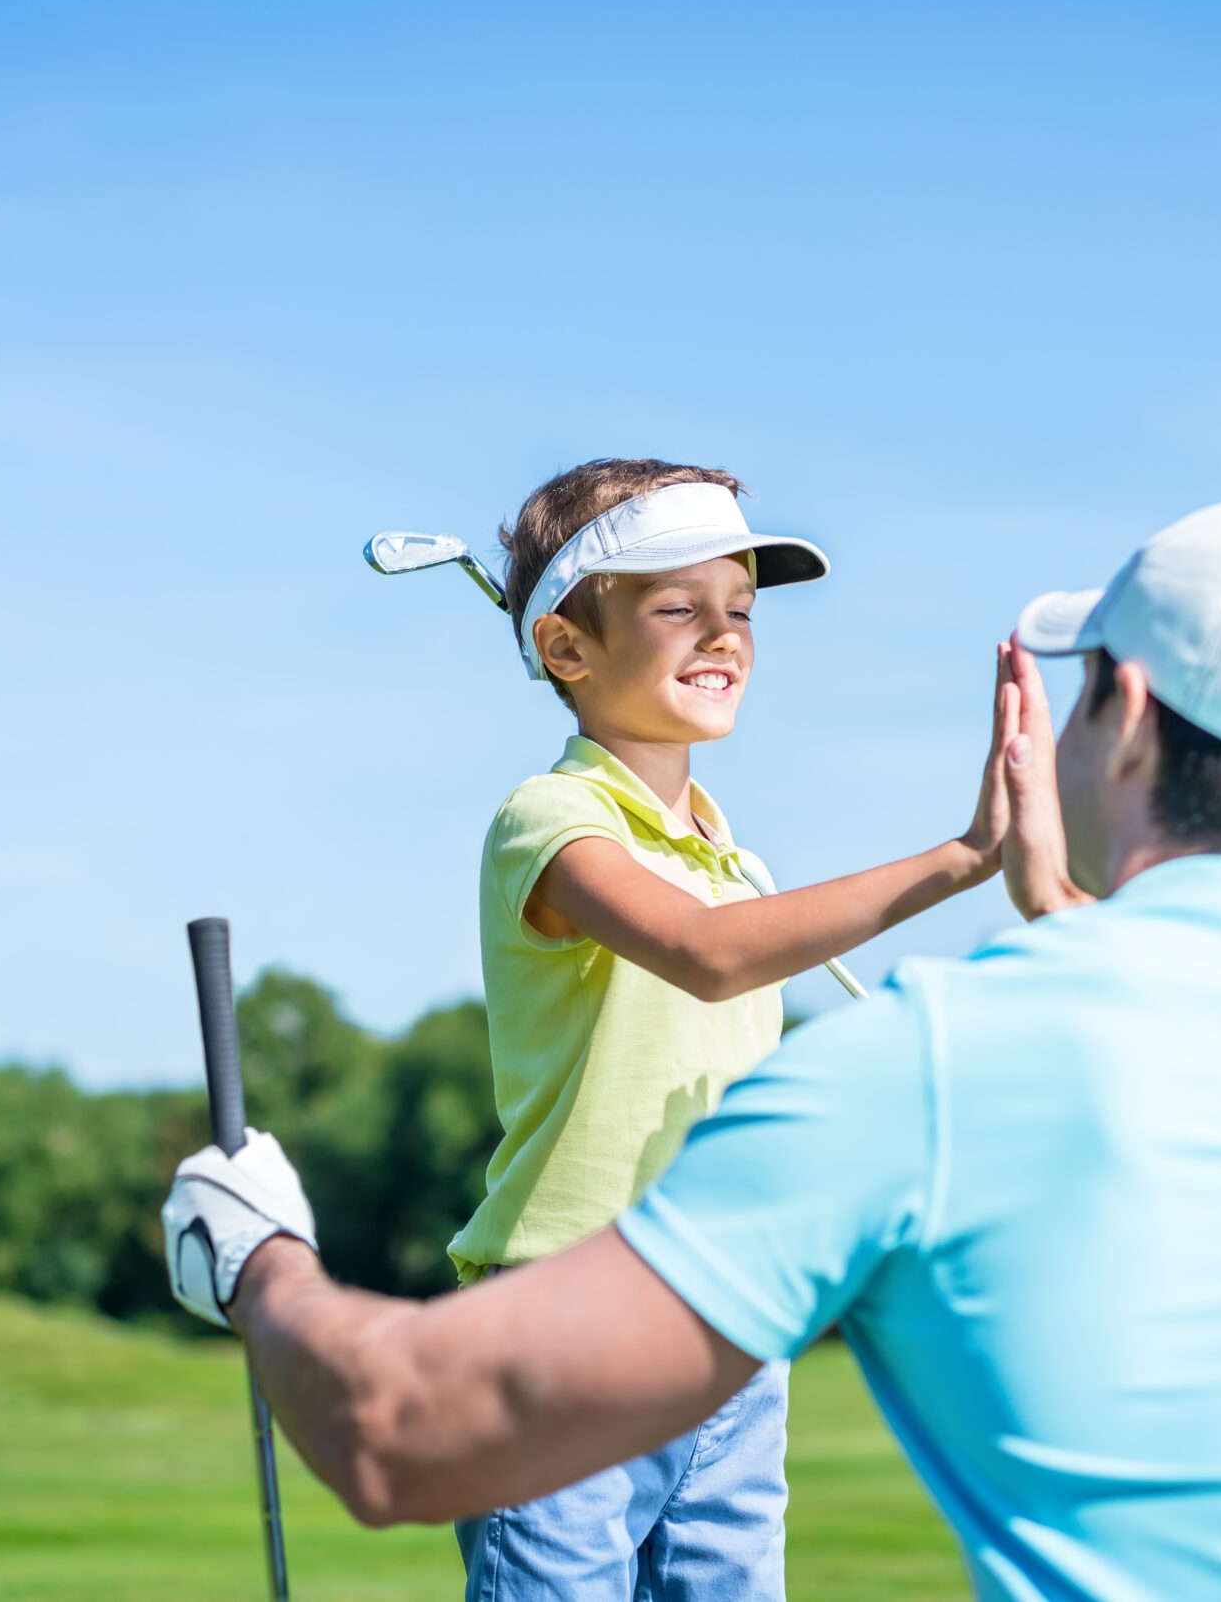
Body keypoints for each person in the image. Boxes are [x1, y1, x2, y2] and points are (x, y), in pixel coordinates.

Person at [164, 500, 1221, 1601]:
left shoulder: (940, 1061)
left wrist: (260, 1256)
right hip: (594, 1287)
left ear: (1124, 720)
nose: (727, 633)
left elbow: (398, 1433)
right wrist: (1024, 884)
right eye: (680, 606)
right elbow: (1113, 1026)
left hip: (689, 1349)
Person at [353, 458, 1015, 1600]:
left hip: (729, 1327)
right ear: (566, 649)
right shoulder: (548, 818)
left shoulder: (730, 856)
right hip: (563, 1319)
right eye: (677, 608)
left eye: (741, 610)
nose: (725, 637)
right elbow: (706, 956)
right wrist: (962, 859)